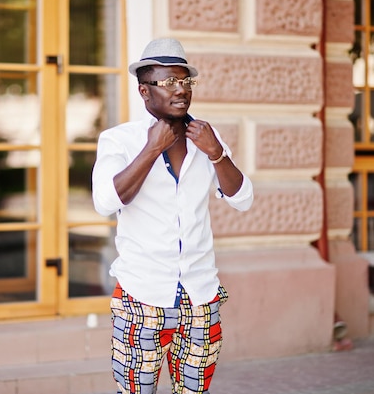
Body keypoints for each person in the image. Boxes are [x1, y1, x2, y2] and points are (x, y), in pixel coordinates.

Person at [92, 38, 254, 394]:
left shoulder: (206, 138)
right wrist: (152, 149)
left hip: (200, 297)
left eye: (185, 81)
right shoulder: (119, 140)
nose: (180, 90)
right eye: (168, 82)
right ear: (144, 91)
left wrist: (216, 154)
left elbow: (242, 198)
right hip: (142, 297)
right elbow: (105, 200)